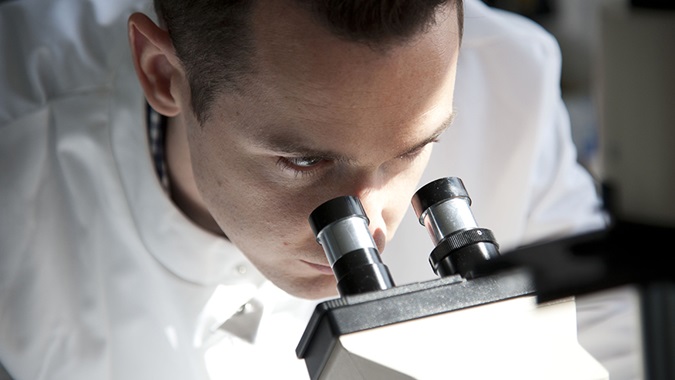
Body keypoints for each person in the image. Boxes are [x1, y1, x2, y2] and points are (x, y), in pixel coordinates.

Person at [0, 0, 620, 379]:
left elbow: (613, 343)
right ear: (164, 74)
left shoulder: (509, 81)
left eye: (414, 151)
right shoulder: (19, 140)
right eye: (303, 161)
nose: (371, 220)